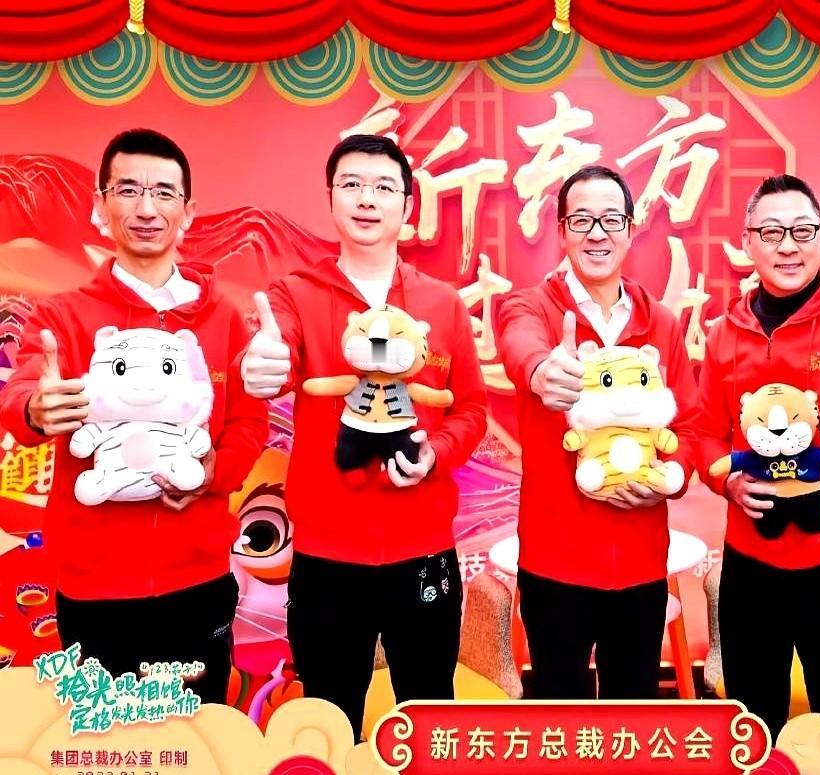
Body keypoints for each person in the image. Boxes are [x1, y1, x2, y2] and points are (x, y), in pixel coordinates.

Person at [0, 128, 267, 703]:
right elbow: (23, 392)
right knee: (107, 741)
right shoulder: (63, 316)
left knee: (197, 737)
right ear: (101, 206)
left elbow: (250, 424)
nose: (147, 209)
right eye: (128, 190)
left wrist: (211, 475)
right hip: (93, 587)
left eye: (164, 193)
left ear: (187, 212)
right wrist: (35, 408)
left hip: (198, 578)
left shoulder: (224, 318)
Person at [240, 134, 487, 740]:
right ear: (331, 197)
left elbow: (472, 409)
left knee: (429, 715)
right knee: (329, 718)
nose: (367, 200)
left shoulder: (441, 303)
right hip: (327, 556)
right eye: (351, 185)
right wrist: (263, 363)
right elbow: (276, 357)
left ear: (408, 205)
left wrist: (435, 453)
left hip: (423, 548)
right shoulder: (295, 295)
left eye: (383, 187)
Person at [698, 174, 820, 738]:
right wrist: (726, 482)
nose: (788, 246)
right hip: (751, 567)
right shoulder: (724, 333)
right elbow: (703, 433)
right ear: (748, 242)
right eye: (772, 232)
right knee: (752, 726)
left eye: (803, 231)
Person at [496, 165, 699, 699]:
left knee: (633, 714)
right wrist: (543, 370)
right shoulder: (532, 307)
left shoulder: (661, 323)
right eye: (582, 220)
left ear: (630, 230)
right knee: (559, 716)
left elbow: (691, 425)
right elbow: (520, 344)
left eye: (611, 219)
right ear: (562, 230)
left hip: (640, 561)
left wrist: (672, 476)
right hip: (554, 563)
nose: (597, 233)